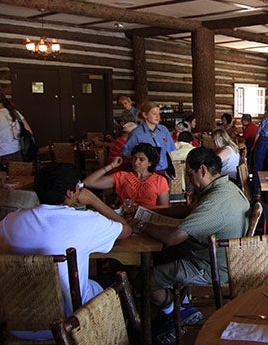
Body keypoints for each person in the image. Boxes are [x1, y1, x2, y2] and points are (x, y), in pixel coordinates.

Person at [0, 163, 131, 341]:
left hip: (16, 322)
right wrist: (94, 201)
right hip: (72, 321)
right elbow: (126, 230)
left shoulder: (11, 222)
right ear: (70, 193)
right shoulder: (87, 221)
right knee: (120, 282)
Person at [132, 147, 249, 340]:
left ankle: (175, 311)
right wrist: (151, 211)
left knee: (146, 280)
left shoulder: (215, 203)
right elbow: (190, 210)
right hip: (216, 254)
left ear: (202, 170)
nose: (188, 179)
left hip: (211, 266)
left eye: (189, 174)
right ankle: (178, 300)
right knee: (161, 254)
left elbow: (173, 237)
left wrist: (141, 224)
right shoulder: (226, 186)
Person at [84, 143, 169, 208]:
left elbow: (163, 208)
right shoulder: (121, 177)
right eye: (134, 158)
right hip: (125, 219)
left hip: (149, 221)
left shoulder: (160, 181)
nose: (136, 162)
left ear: (149, 163)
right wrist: (112, 165)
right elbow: (88, 182)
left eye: (141, 159)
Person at [123, 102, 176, 174]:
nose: (158, 116)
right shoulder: (136, 133)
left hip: (164, 171)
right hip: (145, 174)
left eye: (159, 114)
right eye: (154, 114)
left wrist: (173, 168)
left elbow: (169, 152)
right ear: (145, 115)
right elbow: (127, 154)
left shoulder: (164, 130)